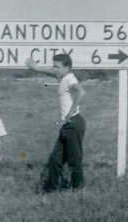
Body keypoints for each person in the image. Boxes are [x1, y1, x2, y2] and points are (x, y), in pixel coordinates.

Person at [25, 54, 86, 192]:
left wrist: (71, 111)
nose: (55, 70)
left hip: (74, 123)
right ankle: (51, 190)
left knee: (74, 160)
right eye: (54, 66)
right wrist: (37, 68)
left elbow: (81, 92)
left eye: (58, 67)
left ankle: (78, 191)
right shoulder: (64, 77)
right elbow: (53, 73)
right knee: (54, 160)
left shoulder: (70, 78)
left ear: (67, 67)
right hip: (67, 126)